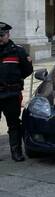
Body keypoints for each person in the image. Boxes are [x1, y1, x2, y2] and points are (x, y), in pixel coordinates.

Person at [0, 22, 33, 162]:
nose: (0, 38)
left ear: (8, 35)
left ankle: (16, 151)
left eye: (2, 35)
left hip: (11, 94)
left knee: (13, 124)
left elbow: (27, 70)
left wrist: (14, 81)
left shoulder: (18, 51)